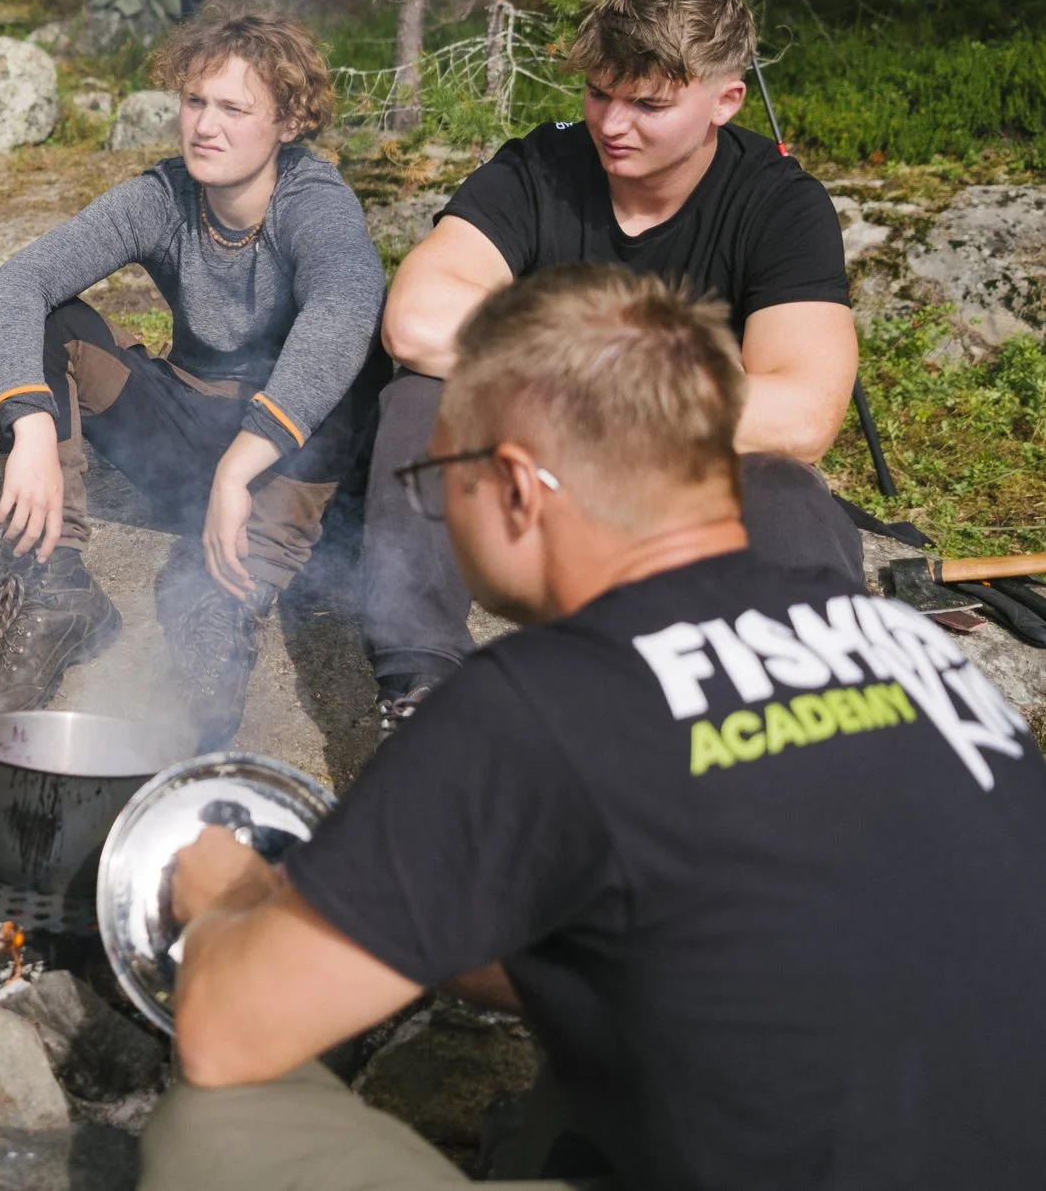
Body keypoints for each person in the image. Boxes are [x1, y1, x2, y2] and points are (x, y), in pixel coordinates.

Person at [140, 266, 1046, 1191]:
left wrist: (226, 895)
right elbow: (740, 933)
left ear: (516, 486)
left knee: (213, 1130)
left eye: (441, 479)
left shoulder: (545, 698)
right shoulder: (902, 642)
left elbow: (225, 1031)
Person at [364, 0, 861, 735]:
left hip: (682, 485)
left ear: (726, 100)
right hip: (537, 472)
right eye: (599, 93)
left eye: (648, 104)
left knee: (784, 486)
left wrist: (579, 383)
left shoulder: (779, 203)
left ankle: (819, 720)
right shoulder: (540, 168)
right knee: (420, 401)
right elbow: (418, 321)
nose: (612, 124)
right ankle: (422, 691)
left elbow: (802, 414)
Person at [0, 6, 386, 749]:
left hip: (285, 462)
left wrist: (240, 466)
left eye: (234, 108)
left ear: (289, 122)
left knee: (351, 354)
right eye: (195, 101)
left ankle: (229, 598)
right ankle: (56, 590)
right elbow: (15, 286)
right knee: (54, 321)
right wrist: (29, 425)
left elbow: (348, 304)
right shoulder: (163, 197)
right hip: (189, 440)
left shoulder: (312, 201)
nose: (205, 126)